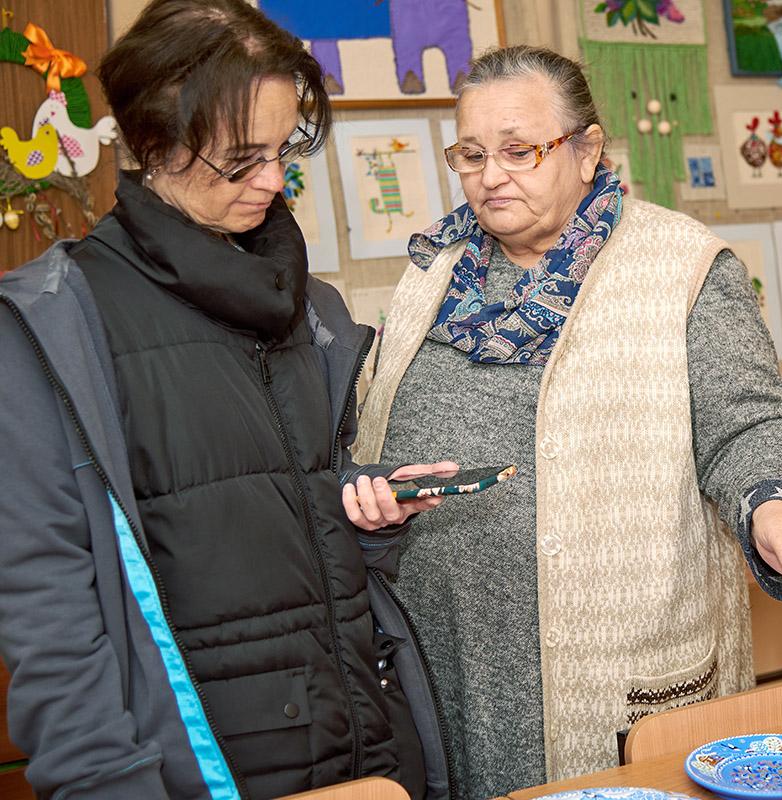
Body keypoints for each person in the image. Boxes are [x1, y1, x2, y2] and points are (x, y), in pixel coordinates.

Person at [353, 45, 782, 798]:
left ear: (586, 150)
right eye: (471, 154)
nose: (490, 175)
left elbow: (748, 421)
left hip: (618, 670)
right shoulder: (430, 272)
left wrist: (772, 504)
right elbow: (372, 427)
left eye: (519, 150)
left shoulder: (682, 267)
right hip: (442, 661)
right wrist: (368, 490)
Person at [0, 2, 455, 798]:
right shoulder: (56, 326)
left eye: (286, 150)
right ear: (150, 144)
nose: (275, 181)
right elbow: (50, 617)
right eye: (242, 159)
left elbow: (296, 526)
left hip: (369, 751)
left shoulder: (308, 306)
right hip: (204, 770)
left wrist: (372, 525)